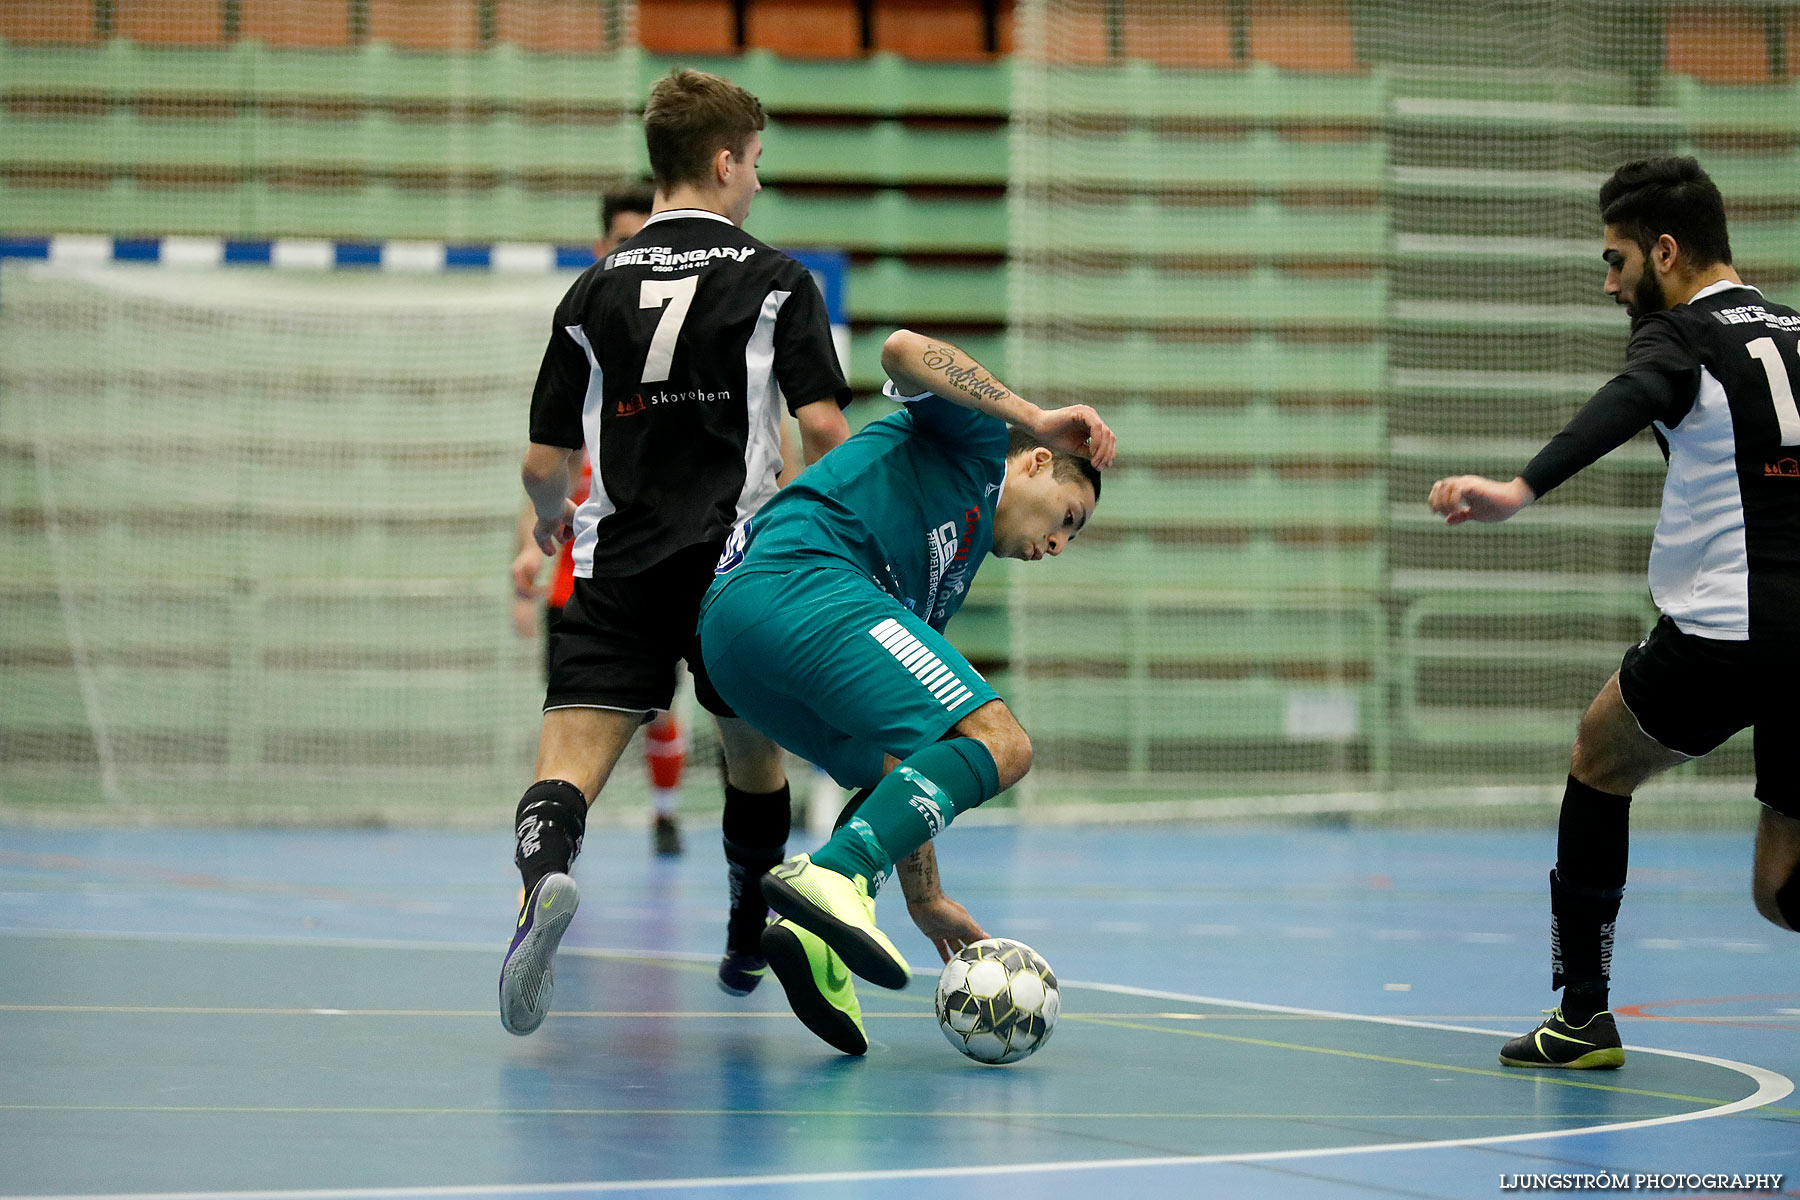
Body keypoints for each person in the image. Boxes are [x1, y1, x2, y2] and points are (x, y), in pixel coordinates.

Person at [499, 68, 853, 1036]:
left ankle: (545, 881)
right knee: (752, 755)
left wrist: (544, 523)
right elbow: (824, 429)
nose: (759, 184)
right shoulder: (777, 280)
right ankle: (746, 923)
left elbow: (544, 460)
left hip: (617, 562)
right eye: (757, 164)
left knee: (569, 756)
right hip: (739, 564)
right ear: (725, 160)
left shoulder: (594, 286)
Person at [1427, 156, 1800, 1070]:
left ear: (1664, 252)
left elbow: (1628, 399)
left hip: (1727, 634)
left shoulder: (1681, 335)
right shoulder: (1796, 329)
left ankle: (1584, 1016)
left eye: (1617, 260)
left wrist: (1520, 486)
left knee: (1599, 758)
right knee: (1780, 884)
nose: (1610, 283)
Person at [697, 328, 1115, 1054]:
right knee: (1003, 745)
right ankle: (835, 878)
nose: (1057, 545)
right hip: (801, 582)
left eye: (1071, 543)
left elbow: (911, 757)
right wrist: (1032, 415)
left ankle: (813, 936)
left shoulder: (940, 579)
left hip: (732, 645)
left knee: (900, 763)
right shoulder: (980, 443)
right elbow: (900, 350)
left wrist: (924, 895)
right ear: (1039, 462)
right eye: (1067, 519)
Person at [510, 183, 693, 858]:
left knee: (660, 709)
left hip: (661, 568)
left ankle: (666, 814)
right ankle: (548, 855)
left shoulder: (686, 351)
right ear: (601, 247)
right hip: (581, 581)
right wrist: (530, 553)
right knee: (568, 726)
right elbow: (543, 464)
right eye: (623, 241)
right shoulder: (587, 338)